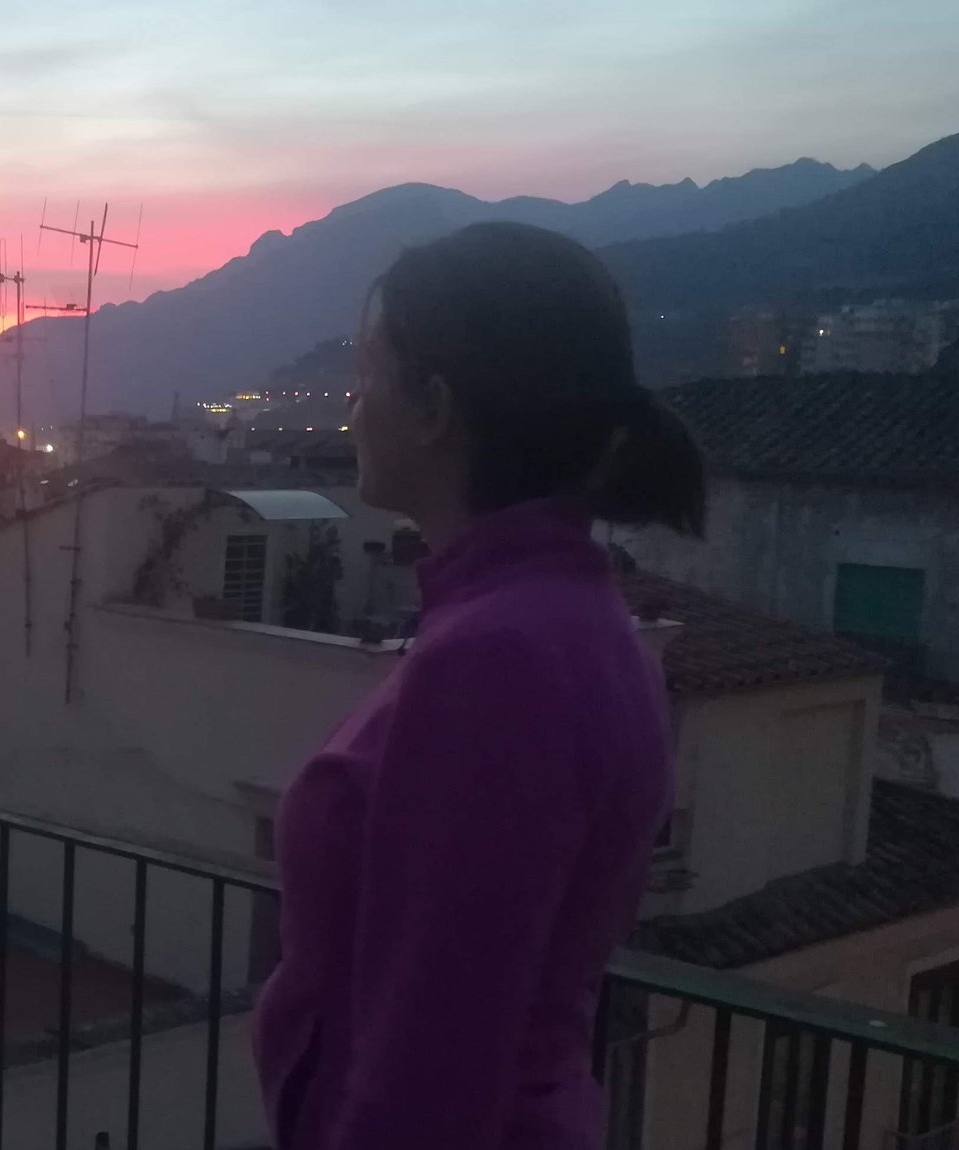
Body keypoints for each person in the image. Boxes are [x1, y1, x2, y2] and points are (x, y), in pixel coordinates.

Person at [251, 221, 704, 1150]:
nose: (351, 412)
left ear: (433, 406)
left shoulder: (499, 661)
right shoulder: (559, 620)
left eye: (366, 379)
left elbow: (430, 1072)